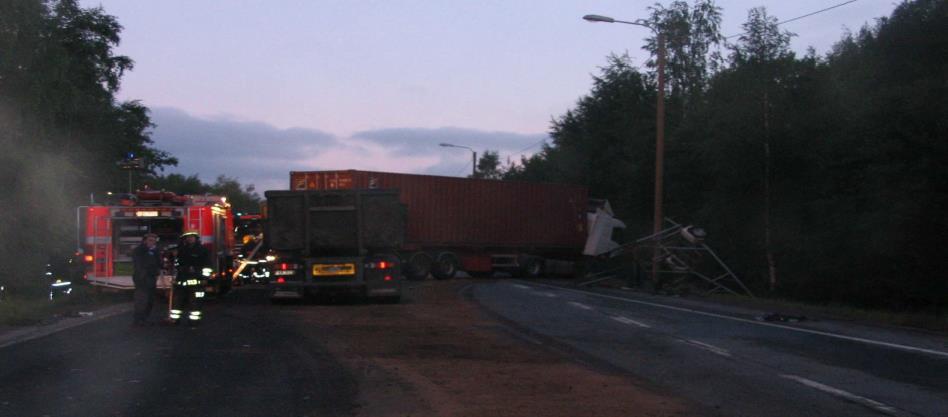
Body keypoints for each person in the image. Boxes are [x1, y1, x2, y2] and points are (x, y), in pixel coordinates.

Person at [170, 231, 210, 326]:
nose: (189, 239)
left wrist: (204, 278)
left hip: (197, 282)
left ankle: (194, 321)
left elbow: (207, 265)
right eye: (188, 237)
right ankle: (175, 320)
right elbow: (175, 264)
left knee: (195, 303)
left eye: (192, 237)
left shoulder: (202, 250)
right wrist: (173, 256)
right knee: (177, 303)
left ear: (196, 238)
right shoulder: (180, 250)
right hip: (181, 282)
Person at [132, 233, 162, 326]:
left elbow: (158, 263)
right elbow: (140, 264)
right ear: (145, 241)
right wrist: (142, 276)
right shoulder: (139, 250)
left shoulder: (155, 251)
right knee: (141, 300)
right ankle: (138, 320)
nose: (152, 242)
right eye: (150, 240)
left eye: (154, 240)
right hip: (142, 278)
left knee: (150, 300)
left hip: (152, 278)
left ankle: (144, 318)